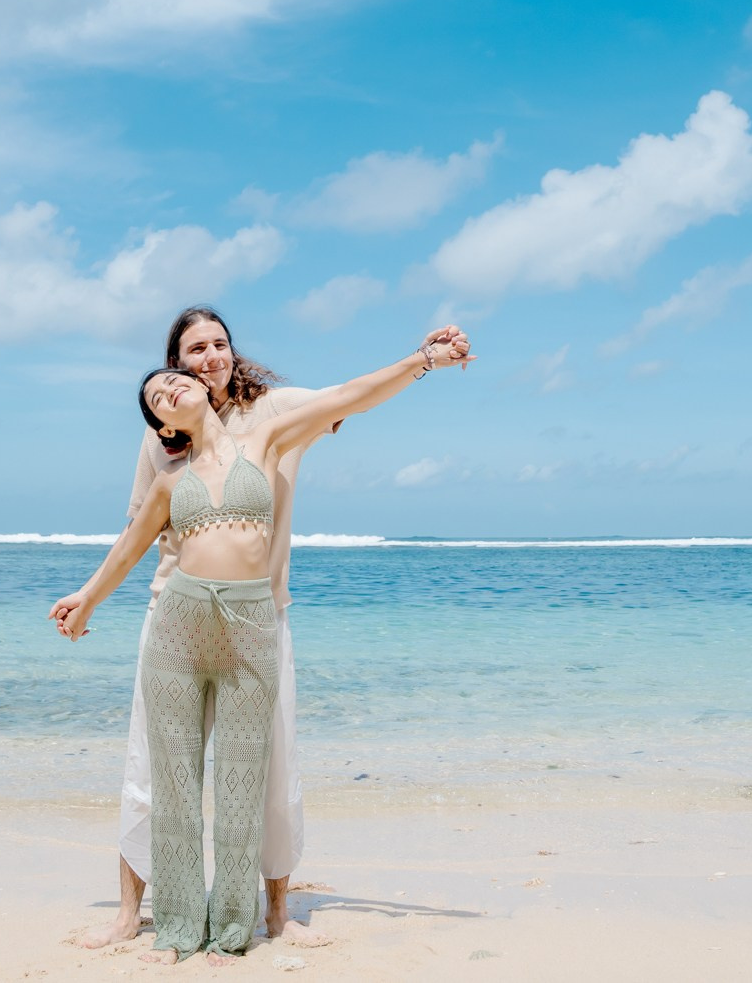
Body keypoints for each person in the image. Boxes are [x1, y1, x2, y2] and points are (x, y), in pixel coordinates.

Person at [51, 330, 473, 963]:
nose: (202, 363)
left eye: (215, 346)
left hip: (258, 615)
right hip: (178, 612)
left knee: (259, 771)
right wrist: (86, 599)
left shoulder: (269, 424)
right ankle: (155, 919)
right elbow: (132, 540)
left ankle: (253, 918)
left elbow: (350, 395)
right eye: (184, 362)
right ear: (166, 405)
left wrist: (423, 360)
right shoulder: (167, 458)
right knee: (161, 771)